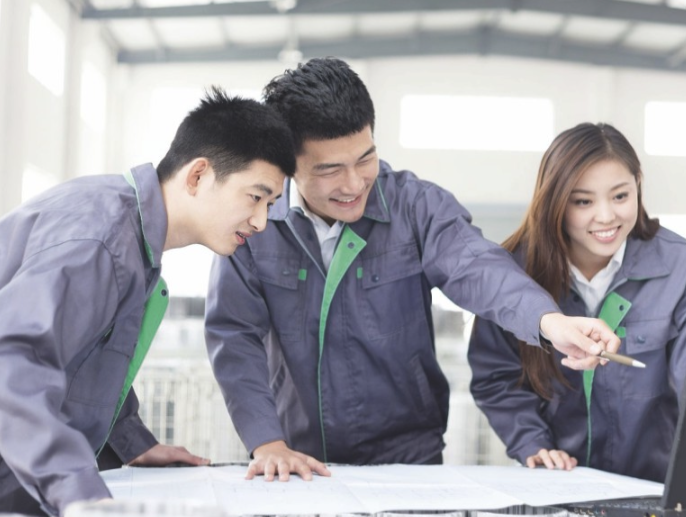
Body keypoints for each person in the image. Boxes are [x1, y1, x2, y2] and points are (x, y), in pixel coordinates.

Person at [205, 57, 620, 482]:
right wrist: (268, 443)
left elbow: (475, 265)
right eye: (330, 170)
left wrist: (549, 321)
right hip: (297, 460)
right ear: (288, 163)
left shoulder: (417, 206)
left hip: (409, 461)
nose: (354, 184)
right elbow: (234, 335)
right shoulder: (254, 225)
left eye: (365, 158)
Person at [0, 88, 296, 516]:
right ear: (197, 176)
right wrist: (83, 496)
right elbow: (9, 364)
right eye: (255, 197)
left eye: (271, 204)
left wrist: (133, 442)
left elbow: (86, 360)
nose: (261, 221)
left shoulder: (130, 236)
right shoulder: (101, 239)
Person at [467, 123, 686, 483]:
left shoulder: (685, 268)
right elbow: (496, 376)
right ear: (555, 201)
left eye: (620, 196)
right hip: (554, 485)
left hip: (650, 487)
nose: (606, 216)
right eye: (583, 201)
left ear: (638, 185)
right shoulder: (513, 275)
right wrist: (532, 443)